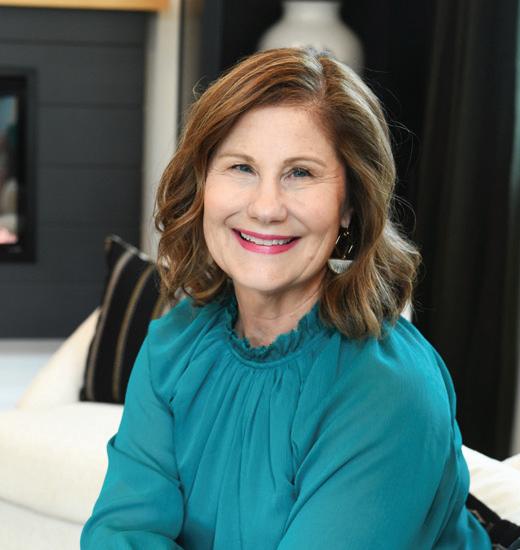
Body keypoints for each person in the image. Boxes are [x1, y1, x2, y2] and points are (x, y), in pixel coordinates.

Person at [81, 47, 494, 549]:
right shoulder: (176, 343)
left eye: (300, 172)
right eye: (241, 167)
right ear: (203, 185)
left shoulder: (389, 391)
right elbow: (121, 532)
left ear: (350, 205)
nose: (266, 208)